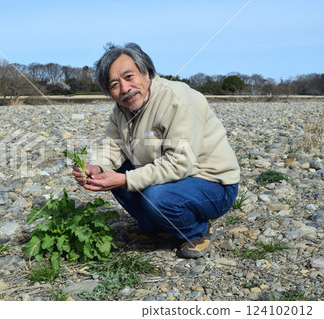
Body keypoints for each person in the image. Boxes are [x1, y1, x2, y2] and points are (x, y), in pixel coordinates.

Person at [71, 43, 240, 258]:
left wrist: (125, 180)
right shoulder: (122, 109)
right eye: (114, 84)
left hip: (212, 184)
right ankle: (157, 226)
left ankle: (196, 231)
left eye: (129, 77)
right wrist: (95, 166)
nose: (124, 89)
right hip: (173, 177)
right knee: (111, 170)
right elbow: (111, 146)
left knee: (155, 196)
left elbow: (180, 163)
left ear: (147, 73)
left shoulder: (177, 98)